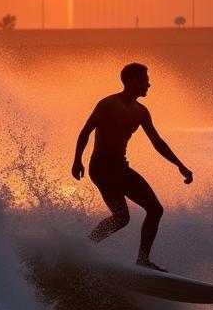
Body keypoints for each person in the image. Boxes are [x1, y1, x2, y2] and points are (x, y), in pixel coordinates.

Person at [72, 63, 193, 271]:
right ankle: (83, 249)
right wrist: (77, 160)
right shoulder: (107, 104)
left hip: (120, 167)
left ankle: (142, 260)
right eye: (145, 79)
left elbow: (158, 142)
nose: (149, 84)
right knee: (122, 217)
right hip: (101, 167)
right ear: (132, 81)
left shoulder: (141, 112)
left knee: (153, 210)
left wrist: (179, 165)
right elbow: (86, 131)